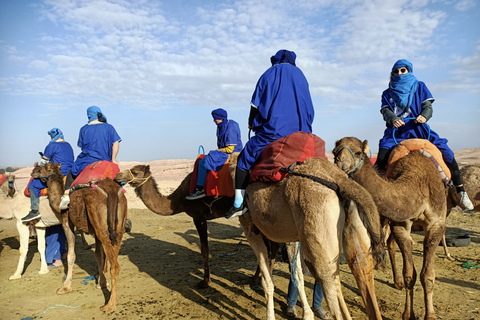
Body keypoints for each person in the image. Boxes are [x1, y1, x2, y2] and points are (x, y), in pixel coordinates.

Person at [225, 49, 315, 219]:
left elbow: (256, 105)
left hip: (275, 132)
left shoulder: (269, 73)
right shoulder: (301, 76)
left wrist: (252, 123)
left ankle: (238, 204)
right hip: (303, 134)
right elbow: (309, 108)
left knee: (244, 160)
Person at [375, 59, 474, 210]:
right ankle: (376, 195)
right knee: (381, 158)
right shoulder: (387, 93)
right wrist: (393, 119)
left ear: (409, 71)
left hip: (419, 129)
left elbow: (427, 107)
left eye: (403, 70)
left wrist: (424, 116)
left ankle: (460, 191)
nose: (399, 74)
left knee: (447, 153)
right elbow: (385, 111)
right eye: (396, 72)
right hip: (396, 133)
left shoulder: (419, 86)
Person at [59, 106, 121, 210]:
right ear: (99, 113)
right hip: (104, 161)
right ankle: (119, 199)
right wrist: (113, 159)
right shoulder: (109, 127)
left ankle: (66, 195)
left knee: (72, 173)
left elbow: (82, 146)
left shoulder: (83, 129)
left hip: (86, 161)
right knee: (119, 180)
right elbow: (115, 143)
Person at [186, 108, 243, 200]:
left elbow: (230, 148)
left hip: (231, 153)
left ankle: (200, 189)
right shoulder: (223, 126)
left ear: (221, 118)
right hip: (226, 152)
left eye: (215, 118)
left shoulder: (230, 127)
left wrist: (217, 150)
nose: (214, 121)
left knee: (203, 163)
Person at [21, 128, 74, 222]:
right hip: (69, 174)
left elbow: (44, 162)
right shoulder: (68, 145)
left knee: (33, 185)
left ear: (52, 136)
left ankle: (34, 210)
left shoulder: (52, 145)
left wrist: (37, 163)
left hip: (57, 174)